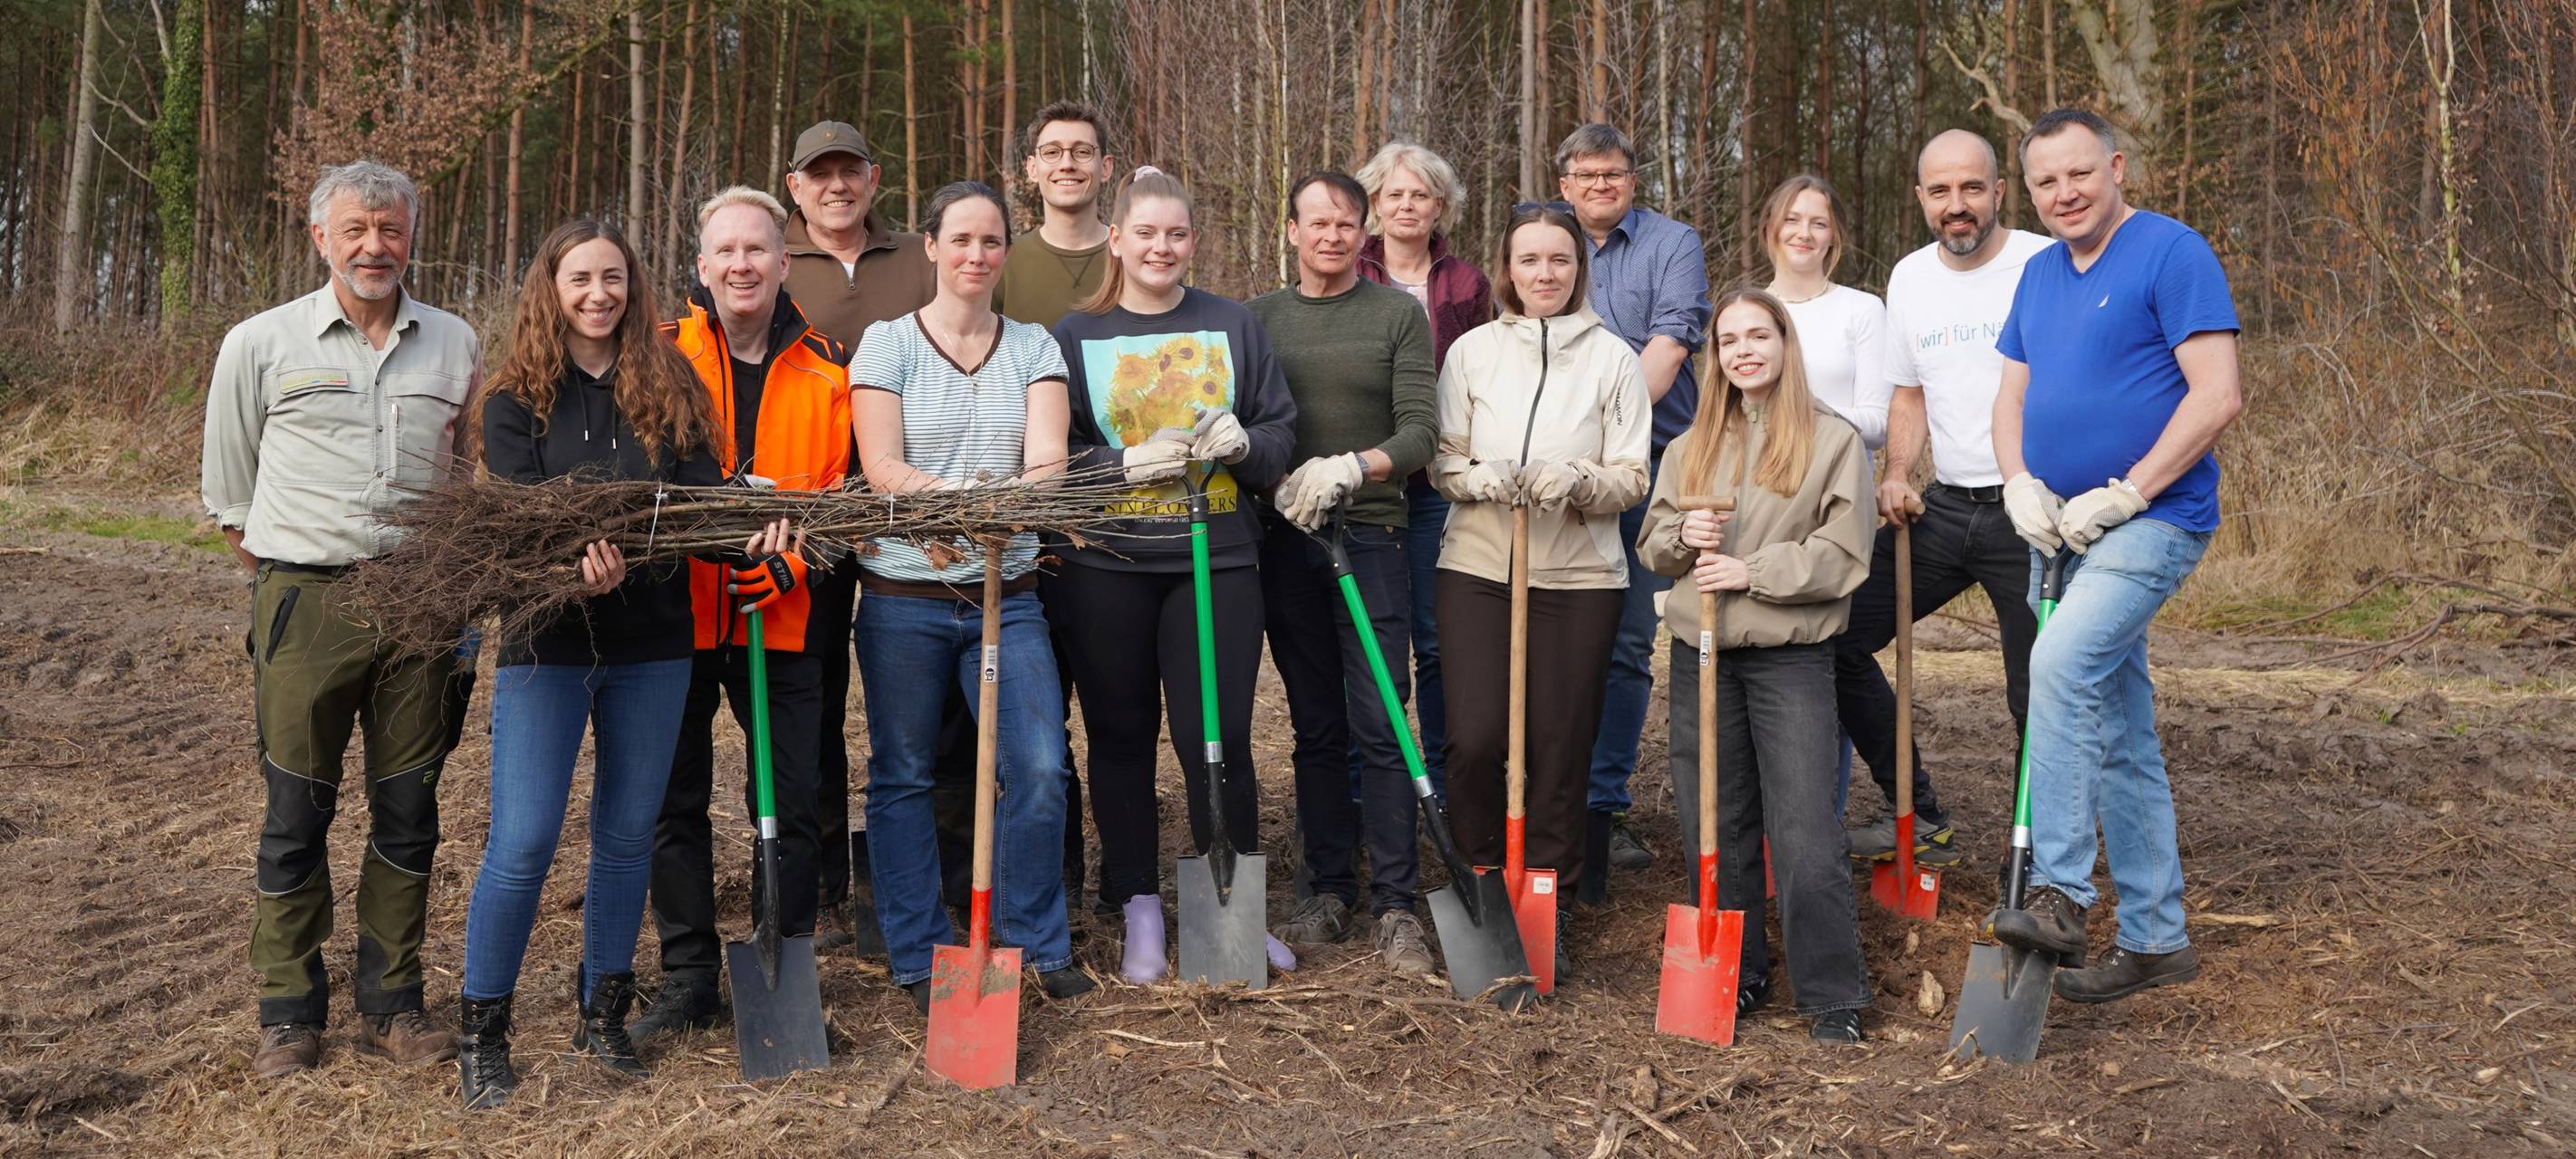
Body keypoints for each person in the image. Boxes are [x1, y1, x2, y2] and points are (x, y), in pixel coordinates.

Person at [202, 160, 478, 1078]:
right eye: (355, 229)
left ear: (412, 236)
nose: (375, 246)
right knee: (296, 810)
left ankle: (393, 1001)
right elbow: (231, 500)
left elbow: (471, 480)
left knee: (409, 809)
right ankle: (288, 1010)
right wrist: (301, 578)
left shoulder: (456, 343)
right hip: (306, 599)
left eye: (390, 228)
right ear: (320, 237)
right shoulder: (260, 342)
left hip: (424, 604)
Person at [453, 218, 732, 1107]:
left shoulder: (672, 383)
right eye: (581, 278)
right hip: (548, 644)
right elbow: (524, 528)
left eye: (614, 277)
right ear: (552, 287)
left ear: (635, 286)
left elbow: (699, 504)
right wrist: (569, 569)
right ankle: (482, 1032)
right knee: (525, 837)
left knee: (622, 838)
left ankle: (602, 1016)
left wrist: (749, 528)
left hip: (654, 642)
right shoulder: (514, 398)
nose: (599, 294)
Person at [1986, 110, 2242, 1004]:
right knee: (2122, 734)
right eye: (2047, 181)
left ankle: (2057, 893)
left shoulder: (2173, 254)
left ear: (2117, 167)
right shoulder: (2037, 275)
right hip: (2056, 532)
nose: (2065, 193)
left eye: (2080, 174)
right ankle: (2156, 938)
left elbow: (2217, 394)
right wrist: (2018, 480)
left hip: (2152, 520)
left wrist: (2131, 489)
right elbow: (2010, 399)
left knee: (2057, 662)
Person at [1047, 166, 1300, 984]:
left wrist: (1245, 448)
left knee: (1213, 737)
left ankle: (1235, 905)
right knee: (1120, 736)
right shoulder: (1073, 337)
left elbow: (1277, 433)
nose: (1163, 247)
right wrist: (1120, 462)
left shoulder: (1233, 326)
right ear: (1115, 239)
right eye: (1146, 233)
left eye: (1178, 234)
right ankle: (1139, 911)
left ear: (1195, 240)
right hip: (1107, 565)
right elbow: (1055, 455)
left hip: (1216, 560)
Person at [846, 181, 1093, 1010]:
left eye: (991, 242)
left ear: (1006, 252)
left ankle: (1034, 941)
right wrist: (954, 512)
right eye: (960, 241)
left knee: (1039, 766)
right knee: (905, 773)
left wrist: (1001, 517)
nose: (976, 256)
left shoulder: (1034, 349)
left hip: (1007, 594)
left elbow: (1049, 464)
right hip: (903, 600)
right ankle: (919, 955)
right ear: (931, 247)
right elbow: (880, 466)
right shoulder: (888, 346)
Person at [631, 187, 852, 1040]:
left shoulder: (828, 363)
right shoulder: (655, 355)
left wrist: (796, 562)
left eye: (756, 250)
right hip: (677, 617)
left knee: (789, 801)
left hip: (785, 620)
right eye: (724, 252)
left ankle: (782, 970)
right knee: (671, 800)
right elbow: (633, 484)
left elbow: (846, 499)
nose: (741, 265)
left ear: (783, 261)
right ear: (700, 267)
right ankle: (687, 976)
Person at [1638, 287, 1876, 1044]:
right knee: (1715, 820)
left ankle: (1832, 991)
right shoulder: (1690, 444)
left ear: (1785, 344)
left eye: (1758, 336)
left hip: (1789, 656)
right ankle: (1736, 974)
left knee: (1804, 825)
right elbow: (1654, 545)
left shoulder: (1831, 441)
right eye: (1729, 339)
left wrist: (1752, 571)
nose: (1744, 350)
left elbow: (1845, 554)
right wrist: (1684, 533)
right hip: (1700, 653)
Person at [1428, 205, 1650, 965]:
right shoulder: (1471, 354)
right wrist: (1480, 478)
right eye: (1530, 261)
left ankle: (1547, 891)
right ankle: (1481, 880)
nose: (1545, 274)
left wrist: (1579, 479)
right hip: (1481, 568)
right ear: (1507, 269)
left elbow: (1631, 474)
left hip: (1580, 576)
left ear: (1577, 269)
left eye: (1559, 260)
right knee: (1477, 735)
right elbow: (1443, 457)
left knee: (1560, 742)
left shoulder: (1613, 360)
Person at [1836, 130, 2053, 865]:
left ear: (1999, 192)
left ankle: (2039, 861)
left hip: (2034, 511)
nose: (1955, 206)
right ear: (1922, 197)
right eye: (1940, 192)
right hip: (1946, 507)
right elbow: (1908, 391)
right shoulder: (1909, 278)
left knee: (2038, 694)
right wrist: (1897, 471)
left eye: (1971, 189)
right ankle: (1918, 814)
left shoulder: (2043, 263)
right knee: (1834, 633)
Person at [1247, 170, 1440, 973]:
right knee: (1317, 725)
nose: (1332, 235)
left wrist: (1355, 468)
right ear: (1290, 230)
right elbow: (1245, 426)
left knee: (1383, 721)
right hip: (1285, 539)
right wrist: (1272, 478)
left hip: (1368, 540)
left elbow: (1422, 432)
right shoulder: (1254, 319)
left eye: (1346, 224)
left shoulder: (1398, 315)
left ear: (1365, 235)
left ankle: (1397, 903)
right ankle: (1328, 888)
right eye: (1316, 222)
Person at [779, 120, 933, 949]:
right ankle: (830, 882)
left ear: (873, 179)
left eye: (850, 172)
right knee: (816, 698)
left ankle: (908, 869)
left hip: (908, 518)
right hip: (807, 514)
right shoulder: (770, 260)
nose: (836, 186)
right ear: (794, 187)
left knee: (911, 706)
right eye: (819, 175)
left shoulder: (917, 257)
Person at [1550, 123, 1713, 886]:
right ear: (1565, 184)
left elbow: (1671, 345)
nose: (1601, 186)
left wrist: (1601, 438)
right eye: (1586, 175)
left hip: (1646, 467)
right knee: (1551, 632)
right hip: (1551, 472)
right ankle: (1547, 798)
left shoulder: (1673, 244)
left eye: (1613, 174)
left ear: (1632, 180)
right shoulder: (1545, 239)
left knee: (1624, 640)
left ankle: (1603, 806)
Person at [1355, 140, 1490, 800]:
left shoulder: (1467, 284)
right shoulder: (1351, 272)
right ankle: (1372, 781)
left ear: (1441, 207)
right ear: (1374, 204)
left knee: (1438, 641)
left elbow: (1485, 375)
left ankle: (1440, 779)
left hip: (1438, 484)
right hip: (1368, 480)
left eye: (1421, 195)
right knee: (1374, 643)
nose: (1407, 206)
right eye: (1394, 194)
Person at [1759, 175, 1889, 449]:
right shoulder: (1744, 312)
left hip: (1839, 483)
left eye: (1819, 224)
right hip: (1757, 483)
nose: (1804, 233)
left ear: (1834, 236)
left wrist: (1800, 413)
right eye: (1791, 220)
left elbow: (1877, 427)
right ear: (1770, 227)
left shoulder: (1863, 309)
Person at [999, 101, 1120, 325]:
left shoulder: (1134, 259)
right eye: (1052, 152)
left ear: (1105, 168)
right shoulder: (1002, 264)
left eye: (1082, 152)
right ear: (1032, 169)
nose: (1066, 164)